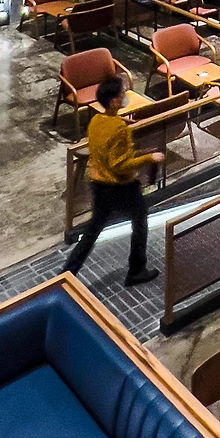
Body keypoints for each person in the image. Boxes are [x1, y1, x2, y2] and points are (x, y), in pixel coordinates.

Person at [64, 77, 164, 286]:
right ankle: (137, 269)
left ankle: (67, 273)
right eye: (122, 94)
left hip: (99, 184)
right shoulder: (119, 128)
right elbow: (120, 164)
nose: (125, 97)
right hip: (121, 186)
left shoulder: (95, 121)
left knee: (93, 230)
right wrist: (149, 158)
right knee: (140, 219)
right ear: (113, 101)